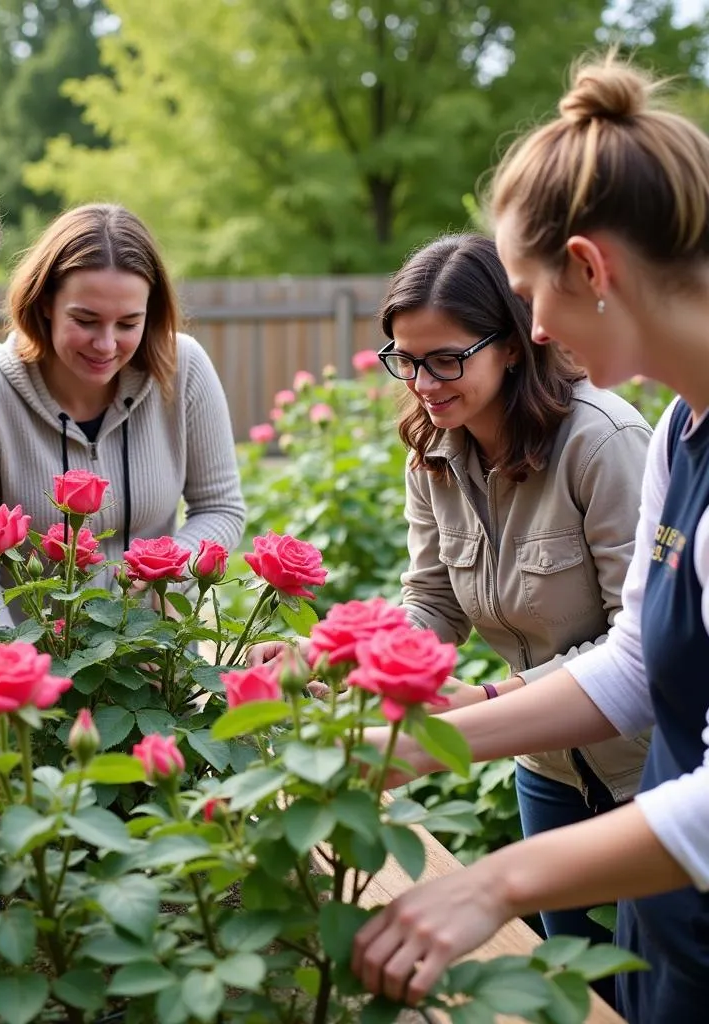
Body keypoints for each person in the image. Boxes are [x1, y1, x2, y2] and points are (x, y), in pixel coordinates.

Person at [349, 55, 709, 1024]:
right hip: (675, 910)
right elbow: (635, 666)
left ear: (589, 268)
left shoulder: (616, 436)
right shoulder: (684, 429)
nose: (537, 324)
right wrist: (417, 743)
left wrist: (495, 883)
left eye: (525, 294)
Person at [252, 234, 651, 960]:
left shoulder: (602, 443)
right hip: (545, 767)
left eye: (446, 359)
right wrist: (332, 655)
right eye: (405, 360)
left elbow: (642, 641)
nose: (423, 383)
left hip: (646, 772)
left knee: (653, 980)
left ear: (511, 343)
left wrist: (493, 700)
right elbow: (433, 605)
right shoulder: (434, 450)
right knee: (575, 977)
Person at [0, 203, 245, 625]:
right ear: (45, 303)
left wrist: (165, 574)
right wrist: (12, 667)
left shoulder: (183, 368)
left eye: (128, 323)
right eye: (86, 319)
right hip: (35, 670)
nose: (105, 344)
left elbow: (220, 508)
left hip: (150, 664)